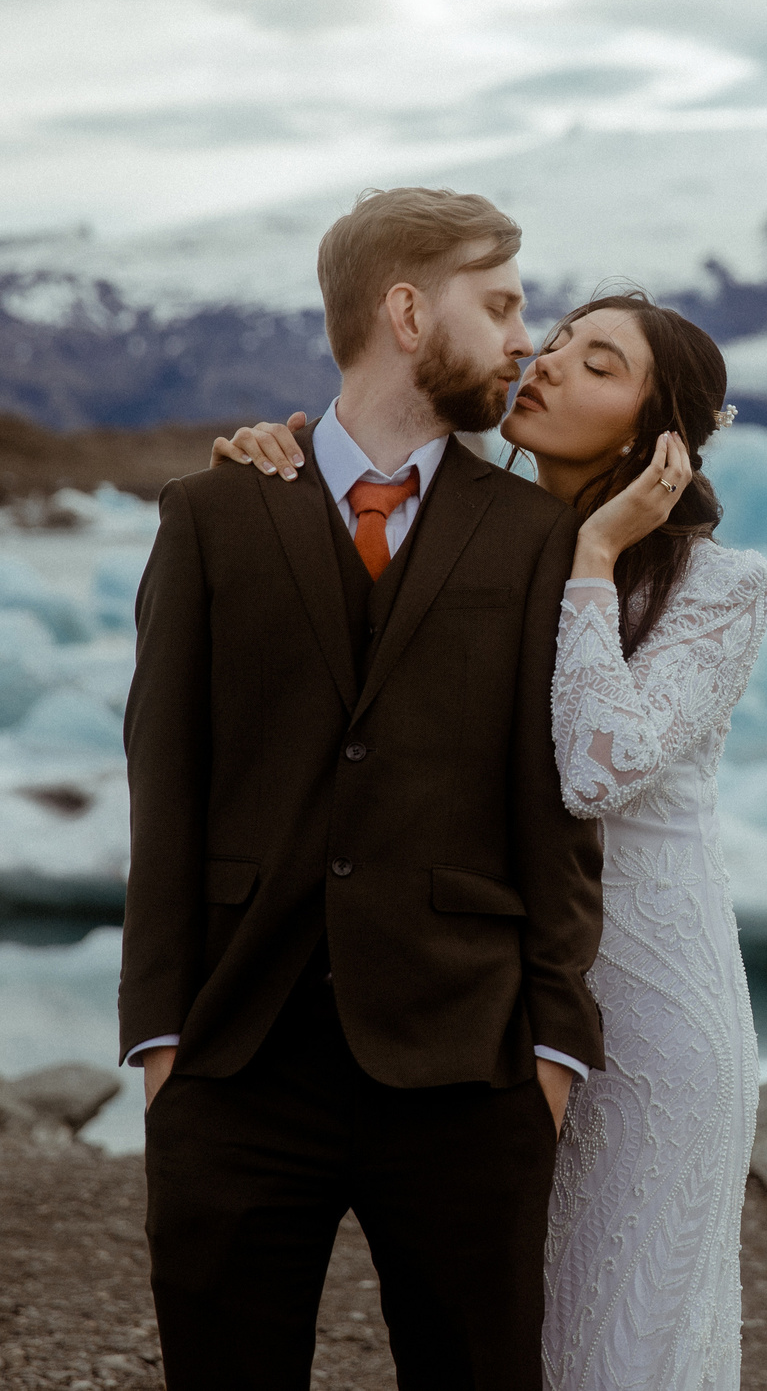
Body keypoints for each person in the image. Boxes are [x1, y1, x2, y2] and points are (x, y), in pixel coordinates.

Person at [215, 289, 767, 1391]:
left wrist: (593, 557)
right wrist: (275, 464)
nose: (551, 365)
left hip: (655, 1021)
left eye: (599, 364)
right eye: (558, 342)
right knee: (500, 1342)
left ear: (656, 432)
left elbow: (599, 768)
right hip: (498, 1003)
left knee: (622, 1340)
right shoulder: (470, 541)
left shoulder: (723, 588)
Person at [123, 186, 602, 1391]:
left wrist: (551, 1051)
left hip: (467, 1068)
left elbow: (554, 807)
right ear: (405, 311)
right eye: (497, 307)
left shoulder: (537, 537)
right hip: (236, 1060)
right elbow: (164, 781)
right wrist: (163, 1041)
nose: (520, 341)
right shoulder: (213, 515)